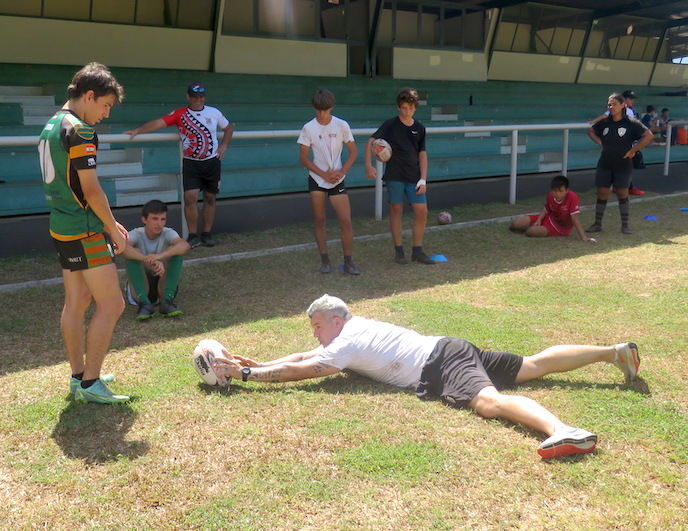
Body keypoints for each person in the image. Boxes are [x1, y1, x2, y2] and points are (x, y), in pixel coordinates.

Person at [212, 294, 641, 459]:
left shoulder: (345, 343)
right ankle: (614, 353)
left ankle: (563, 430)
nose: (316, 334)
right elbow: (307, 354)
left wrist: (249, 376)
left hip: (441, 364)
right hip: (449, 346)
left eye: (318, 326)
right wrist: (257, 363)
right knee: (533, 365)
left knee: (488, 402)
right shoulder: (355, 329)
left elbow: (307, 368)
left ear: (336, 321)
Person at [38, 62, 130, 404]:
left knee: (76, 303)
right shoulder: (80, 131)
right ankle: (91, 383)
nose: (105, 114)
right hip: (84, 229)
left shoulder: (51, 124)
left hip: (61, 226)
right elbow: (91, 191)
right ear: (88, 96)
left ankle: (79, 377)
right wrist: (112, 229)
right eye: (104, 105)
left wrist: (110, 223)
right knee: (113, 303)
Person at [124, 83, 234, 248]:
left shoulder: (214, 112)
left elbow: (229, 128)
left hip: (212, 162)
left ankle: (207, 234)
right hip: (191, 163)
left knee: (210, 198)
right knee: (190, 198)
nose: (198, 100)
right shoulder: (180, 114)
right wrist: (138, 130)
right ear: (188, 97)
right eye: (195, 97)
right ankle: (192, 235)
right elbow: (159, 123)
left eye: (201, 97)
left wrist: (224, 145)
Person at [365, 88, 436, 265]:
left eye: (410, 108)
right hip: (395, 175)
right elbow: (371, 142)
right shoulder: (390, 124)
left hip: (414, 177)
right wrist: (368, 165)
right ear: (398, 107)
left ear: (415, 108)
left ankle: (417, 251)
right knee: (396, 211)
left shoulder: (419, 128)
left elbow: (422, 154)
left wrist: (423, 178)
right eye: (404, 107)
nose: (407, 111)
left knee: (422, 211)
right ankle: (399, 252)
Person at [298, 89, 360, 275]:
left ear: (331, 107)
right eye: (318, 110)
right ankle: (325, 261)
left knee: (346, 221)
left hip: (337, 179)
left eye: (325, 110)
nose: (322, 114)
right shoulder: (308, 127)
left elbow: (353, 151)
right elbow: (303, 157)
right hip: (317, 178)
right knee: (319, 219)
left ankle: (348, 262)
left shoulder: (342, 125)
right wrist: (323, 174)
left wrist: (341, 173)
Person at [585, 93, 653, 235]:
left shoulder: (631, 123)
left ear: (623, 105)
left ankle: (625, 226)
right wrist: (600, 142)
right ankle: (597, 224)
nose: (611, 107)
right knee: (602, 192)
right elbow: (591, 130)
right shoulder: (605, 122)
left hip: (623, 164)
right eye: (609, 104)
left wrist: (633, 150)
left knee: (622, 193)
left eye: (615, 104)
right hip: (605, 163)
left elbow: (649, 136)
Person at [122, 199, 190, 320]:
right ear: (144, 219)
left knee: (175, 251)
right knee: (133, 253)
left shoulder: (168, 232)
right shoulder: (137, 233)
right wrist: (148, 260)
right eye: (154, 219)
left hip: (162, 282)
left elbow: (184, 246)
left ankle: (167, 302)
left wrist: (160, 256)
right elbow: (123, 248)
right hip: (140, 286)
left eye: (162, 219)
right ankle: (144, 304)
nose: (159, 224)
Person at [589, 90, 645, 195]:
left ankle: (624, 185)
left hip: (626, 140)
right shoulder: (618, 111)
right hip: (617, 142)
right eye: (630, 99)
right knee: (622, 164)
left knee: (625, 164)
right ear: (624, 100)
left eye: (633, 99)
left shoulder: (629, 111)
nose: (632, 101)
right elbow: (605, 116)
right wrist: (593, 122)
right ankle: (625, 186)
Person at [509, 175, 595, 242]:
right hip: (549, 218)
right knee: (516, 224)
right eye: (555, 191)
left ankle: (533, 229)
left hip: (559, 228)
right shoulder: (550, 196)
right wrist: (538, 220)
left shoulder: (573, 197)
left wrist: (583, 237)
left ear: (567, 190)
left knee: (531, 232)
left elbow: (575, 219)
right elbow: (545, 209)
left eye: (561, 191)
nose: (557, 194)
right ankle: (533, 227)